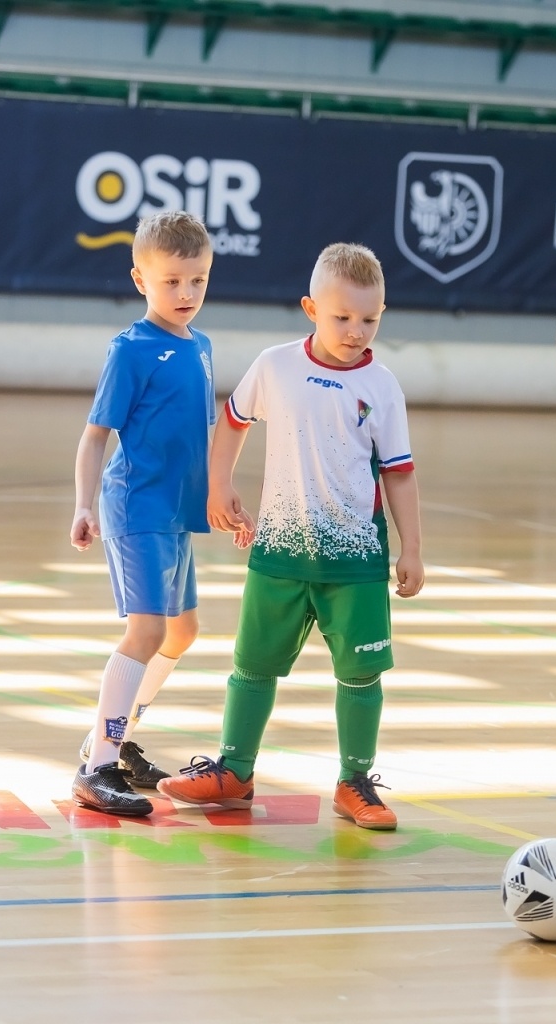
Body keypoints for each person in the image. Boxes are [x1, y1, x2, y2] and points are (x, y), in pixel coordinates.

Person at [158, 243, 423, 831]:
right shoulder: (276, 365)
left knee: (360, 674)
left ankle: (355, 781)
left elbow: (399, 473)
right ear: (310, 308)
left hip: (355, 561)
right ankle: (234, 770)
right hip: (278, 552)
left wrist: (413, 548)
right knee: (252, 664)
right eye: (342, 317)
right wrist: (217, 486)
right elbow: (232, 420)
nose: (357, 331)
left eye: (370, 319)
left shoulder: (382, 388)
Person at [68, 211, 217, 816]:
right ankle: (96, 765)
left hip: (178, 509)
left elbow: (201, 436)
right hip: (136, 506)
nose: (186, 294)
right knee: (148, 630)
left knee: (183, 631)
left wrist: (220, 498)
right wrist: (83, 503)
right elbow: (94, 436)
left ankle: (119, 736)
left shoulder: (201, 346)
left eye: (198, 281)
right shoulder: (130, 350)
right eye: (172, 281)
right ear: (141, 280)